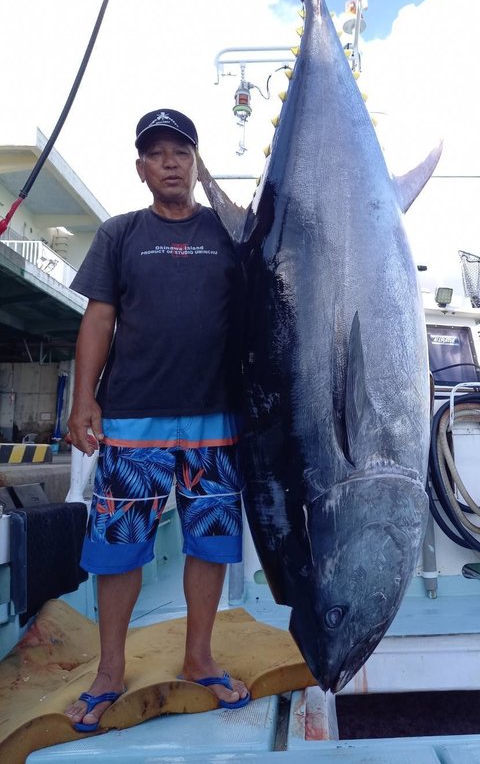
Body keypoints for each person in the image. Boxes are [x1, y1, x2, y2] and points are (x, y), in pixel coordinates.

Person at [64, 109, 250, 732]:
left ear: (197, 164)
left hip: (216, 419)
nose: (170, 162)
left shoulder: (231, 232)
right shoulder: (120, 234)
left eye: (182, 152)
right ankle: (109, 671)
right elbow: (98, 317)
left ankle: (199, 658)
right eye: (157, 153)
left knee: (211, 543)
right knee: (117, 551)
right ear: (140, 167)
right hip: (132, 419)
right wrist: (82, 398)